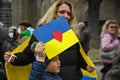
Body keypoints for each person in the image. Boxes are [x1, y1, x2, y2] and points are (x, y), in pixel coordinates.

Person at [4, 0, 95, 80]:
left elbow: (77, 55)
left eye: (69, 13)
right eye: (62, 12)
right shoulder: (43, 34)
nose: (66, 16)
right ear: (54, 13)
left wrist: (86, 66)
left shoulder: (71, 34)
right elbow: (28, 55)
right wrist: (14, 58)